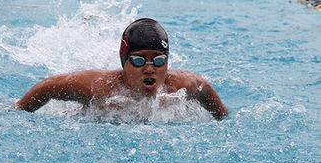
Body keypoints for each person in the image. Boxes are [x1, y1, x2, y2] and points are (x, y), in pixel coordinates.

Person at [16, 18, 229, 120]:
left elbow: (214, 102)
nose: (149, 69)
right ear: (124, 61)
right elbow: (49, 86)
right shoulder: (99, 88)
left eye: (158, 61)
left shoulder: (183, 86)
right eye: (138, 61)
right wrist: (17, 114)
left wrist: (222, 118)